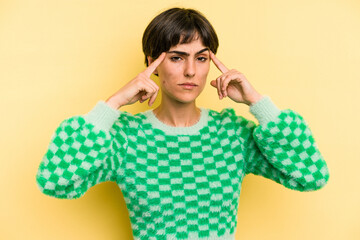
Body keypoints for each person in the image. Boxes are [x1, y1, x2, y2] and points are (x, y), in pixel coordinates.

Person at [36, 7, 330, 240]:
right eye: (177, 57)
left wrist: (258, 103)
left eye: (201, 58)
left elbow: (311, 175)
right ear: (152, 63)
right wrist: (112, 104)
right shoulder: (125, 139)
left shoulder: (232, 134)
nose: (190, 71)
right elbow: (54, 181)